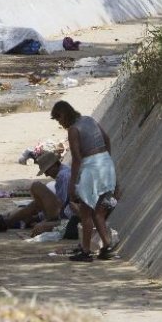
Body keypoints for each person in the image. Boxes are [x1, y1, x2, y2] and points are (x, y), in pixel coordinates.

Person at [50, 100, 117, 262]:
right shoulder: (89, 120)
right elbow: (107, 139)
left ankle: (86, 251)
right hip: (106, 164)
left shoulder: (73, 130)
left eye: (59, 119)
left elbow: (77, 160)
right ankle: (107, 246)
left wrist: (73, 185)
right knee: (98, 211)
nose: (60, 123)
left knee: (85, 211)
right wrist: (105, 158)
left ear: (64, 114)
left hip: (91, 168)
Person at [0, 151, 74, 236]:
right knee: (33, 206)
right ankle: (5, 220)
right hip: (61, 213)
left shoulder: (63, 175)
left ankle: (5, 221)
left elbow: (61, 205)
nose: (47, 175)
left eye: (47, 171)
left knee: (36, 187)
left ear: (54, 165)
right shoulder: (65, 172)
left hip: (65, 215)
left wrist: (41, 217)